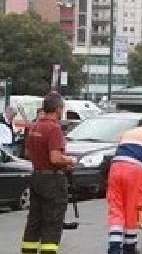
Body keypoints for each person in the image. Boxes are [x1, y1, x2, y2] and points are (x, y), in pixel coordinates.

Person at [21, 92, 76, 254]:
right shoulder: (54, 128)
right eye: (62, 108)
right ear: (58, 109)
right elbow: (55, 158)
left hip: (37, 177)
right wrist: (69, 161)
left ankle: (28, 251)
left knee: (34, 222)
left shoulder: (34, 126)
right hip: (52, 181)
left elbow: (27, 153)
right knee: (52, 223)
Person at [107, 116, 142, 254]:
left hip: (116, 168)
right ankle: (129, 247)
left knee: (116, 208)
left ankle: (114, 247)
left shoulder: (127, 133)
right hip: (135, 170)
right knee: (132, 208)